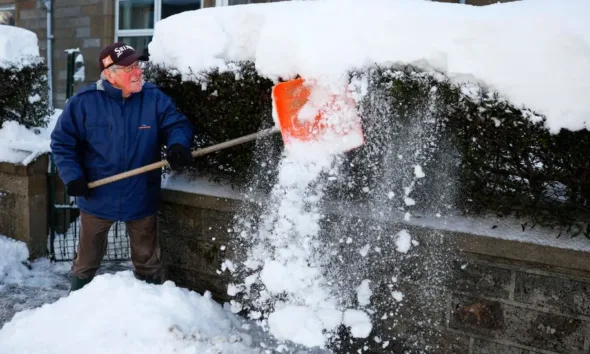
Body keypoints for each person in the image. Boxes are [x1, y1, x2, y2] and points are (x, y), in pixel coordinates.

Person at [50, 42, 194, 292]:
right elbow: (62, 143)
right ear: (109, 74)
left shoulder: (154, 98)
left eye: (137, 65)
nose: (137, 72)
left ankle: (151, 309)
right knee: (86, 261)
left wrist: (177, 144)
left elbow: (176, 124)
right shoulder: (84, 103)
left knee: (147, 261)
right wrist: (73, 176)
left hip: (141, 194)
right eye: (129, 68)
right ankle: (76, 308)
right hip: (96, 196)